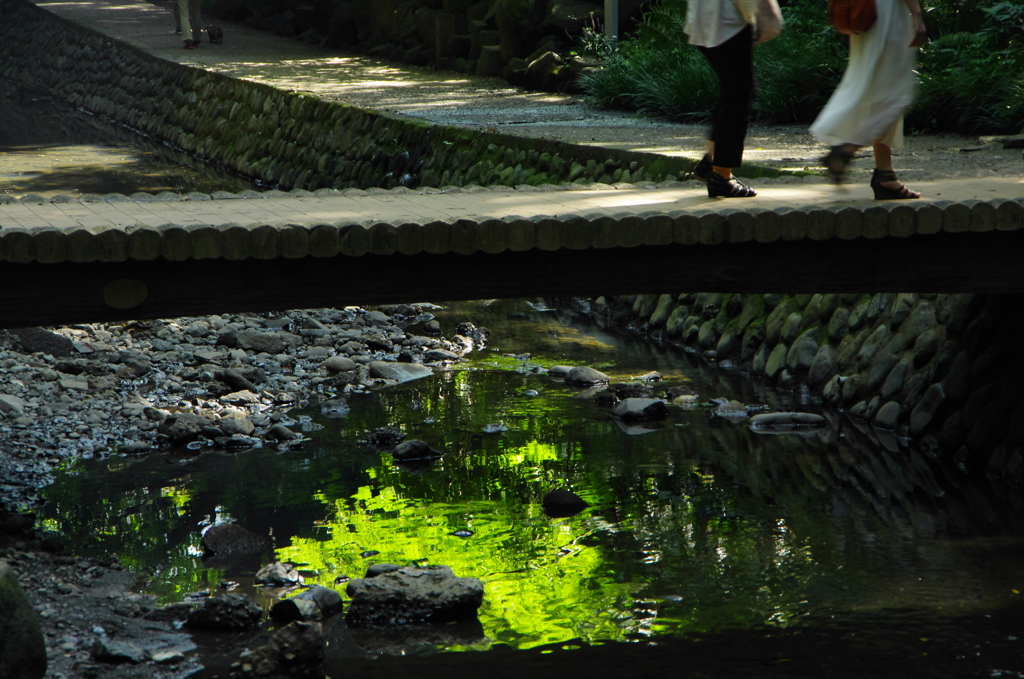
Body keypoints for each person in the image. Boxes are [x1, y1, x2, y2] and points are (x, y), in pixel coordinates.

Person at [810, 0, 928, 199]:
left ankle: (885, 175)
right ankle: (845, 150)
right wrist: (916, 13)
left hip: (866, 11)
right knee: (897, 94)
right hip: (886, 15)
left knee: (878, 90)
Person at [684, 0, 759, 198]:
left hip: (703, 19)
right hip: (729, 21)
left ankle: (711, 161)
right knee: (739, 94)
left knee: (733, 91)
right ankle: (721, 175)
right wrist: (751, 13)